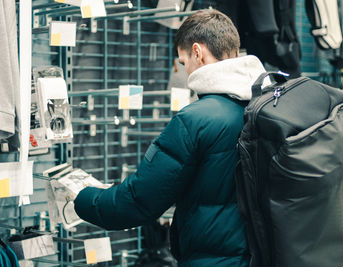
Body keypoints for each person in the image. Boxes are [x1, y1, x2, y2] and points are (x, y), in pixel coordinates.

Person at [74, 9, 267, 266]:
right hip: (262, 255)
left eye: (184, 62)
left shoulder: (195, 119)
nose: (186, 73)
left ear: (197, 52)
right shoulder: (266, 107)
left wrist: (81, 197)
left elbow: (138, 202)